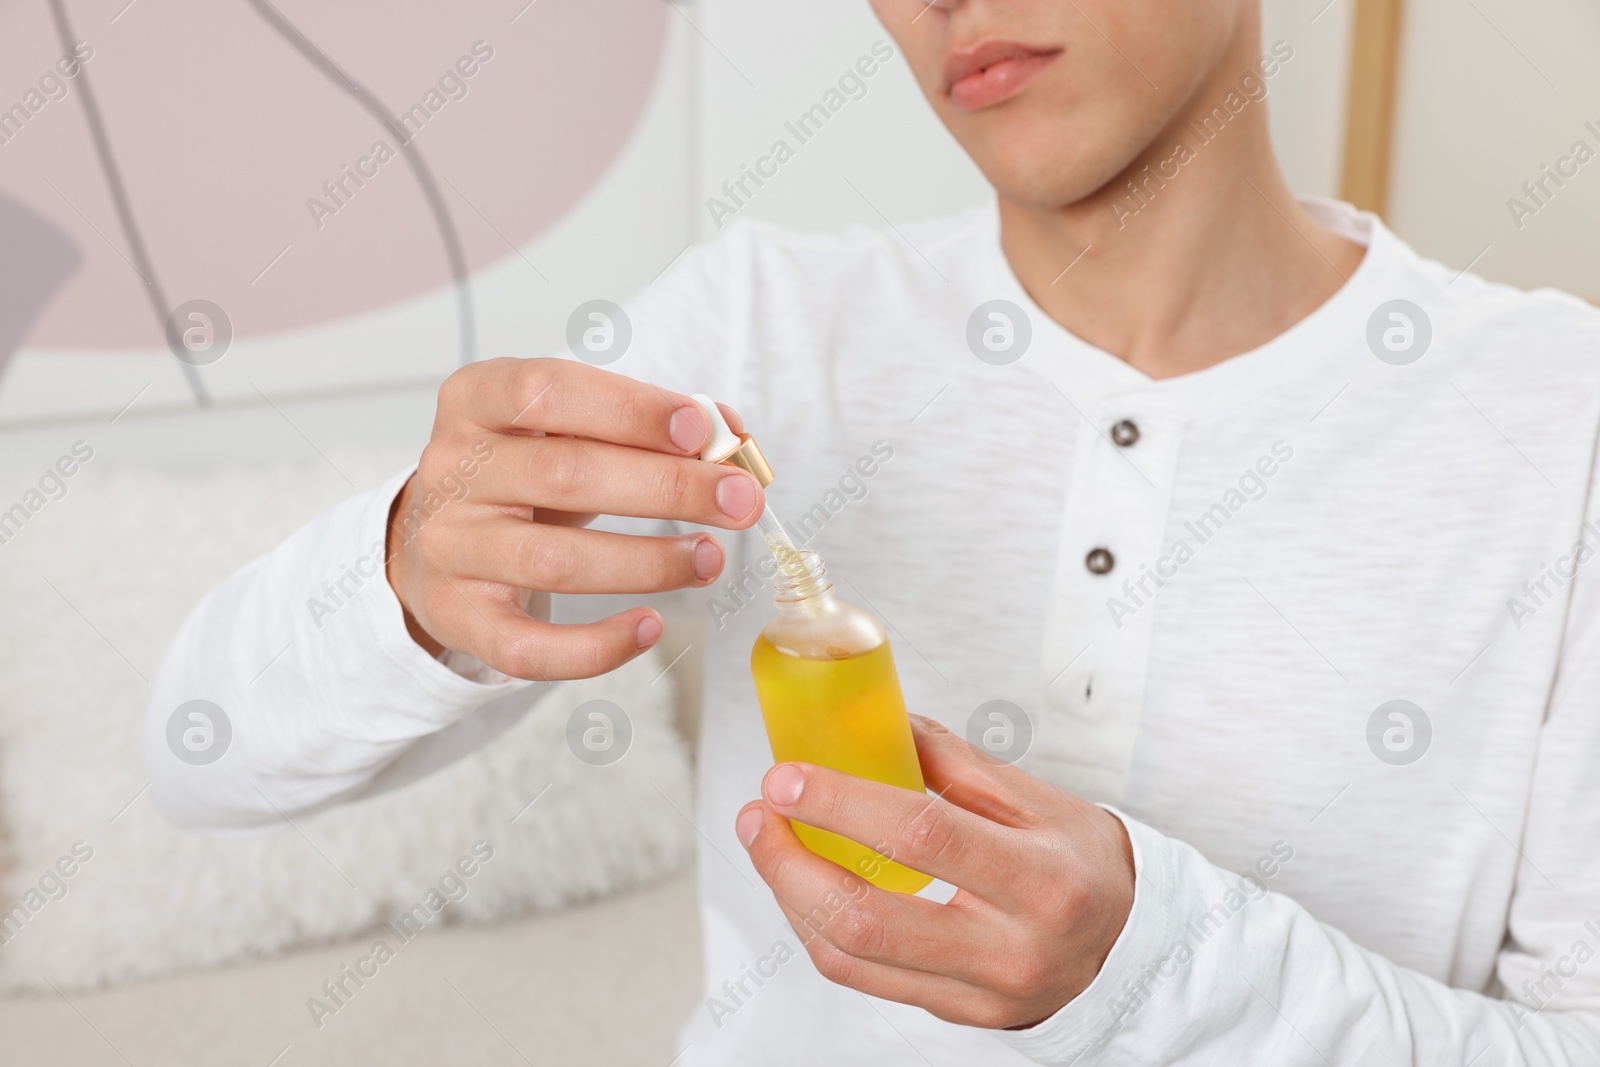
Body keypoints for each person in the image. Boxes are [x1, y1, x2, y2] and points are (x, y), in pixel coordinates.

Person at [146, 0, 1600, 1063]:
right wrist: (408, 575)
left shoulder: (1557, 423)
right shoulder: (756, 331)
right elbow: (200, 756)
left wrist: (1155, 967)